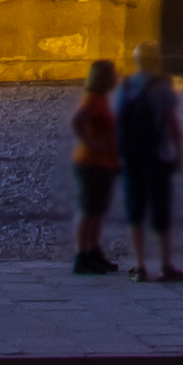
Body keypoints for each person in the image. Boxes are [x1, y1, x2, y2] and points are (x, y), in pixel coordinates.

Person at [115, 50, 183, 281]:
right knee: (160, 209)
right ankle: (166, 265)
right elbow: (172, 124)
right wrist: (177, 154)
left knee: (135, 210)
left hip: (131, 156)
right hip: (156, 155)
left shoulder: (125, 87)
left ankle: (139, 267)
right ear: (157, 61)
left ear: (136, 61)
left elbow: (118, 122)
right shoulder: (161, 88)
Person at [68, 57, 123, 273]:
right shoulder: (92, 99)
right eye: (112, 74)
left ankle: (93, 251)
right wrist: (91, 142)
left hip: (104, 162)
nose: (116, 77)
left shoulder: (101, 99)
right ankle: (82, 255)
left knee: (97, 209)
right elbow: (77, 120)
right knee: (88, 209)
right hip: (91, 162)